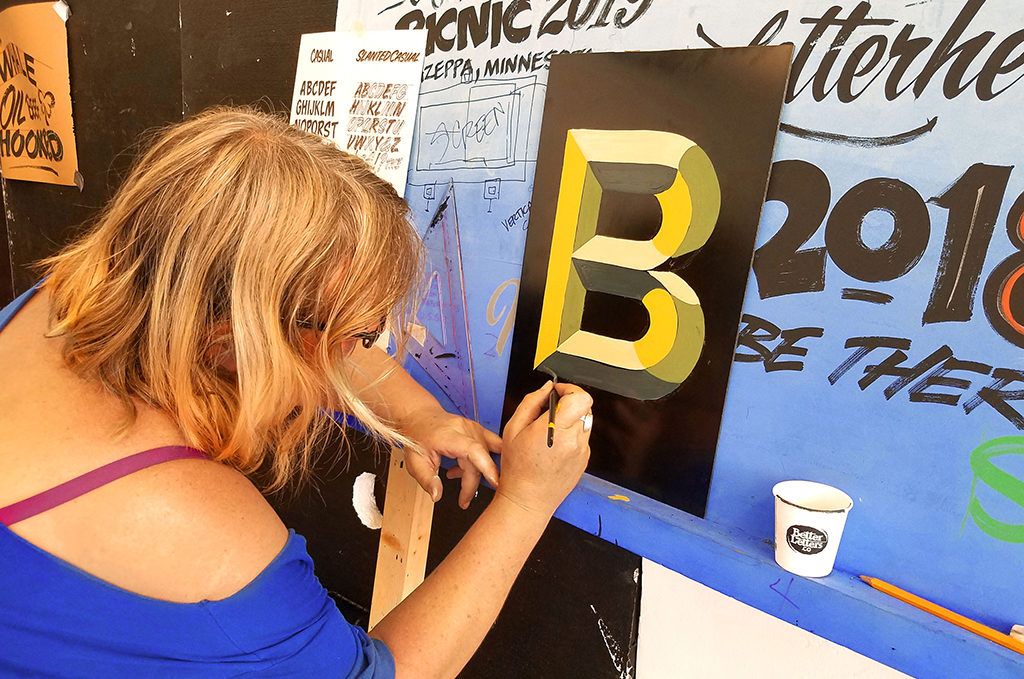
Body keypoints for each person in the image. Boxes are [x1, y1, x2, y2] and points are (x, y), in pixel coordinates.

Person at [0, 107, 592, 677]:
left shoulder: (67, 303)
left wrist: (420, 414)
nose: (363, 350)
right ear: (236, 340)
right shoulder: (197, 523)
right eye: (359, 333)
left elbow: (296, 341)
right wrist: (524, 503)